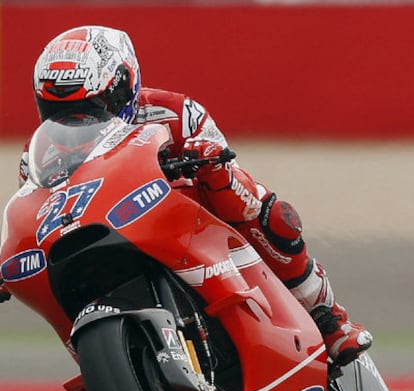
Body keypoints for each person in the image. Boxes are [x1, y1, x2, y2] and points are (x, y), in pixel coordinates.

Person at [19, 25, 371, 366]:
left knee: (270, 213)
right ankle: (112, 364)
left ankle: (327, 319)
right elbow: (33, 210)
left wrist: (207, 164)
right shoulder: (39, 154)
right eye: (58, 112)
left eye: (91, 106)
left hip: (182, 219)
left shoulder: (174, 113)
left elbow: (223, 160)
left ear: (123, 86)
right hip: (104, 237)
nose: (75, 121)